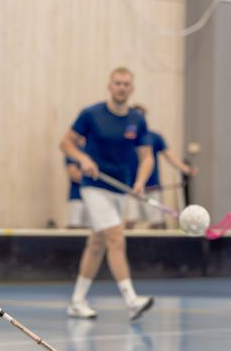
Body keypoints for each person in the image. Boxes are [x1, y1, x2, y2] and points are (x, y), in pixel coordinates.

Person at [60, 67, 154, 321]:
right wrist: (83, 159)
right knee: (115, 238)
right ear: (110, 86)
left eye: (126, 84)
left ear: (131, 88)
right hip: (93, 187)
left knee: (97, 244)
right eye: (117, 83)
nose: (122, 87)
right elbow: (65, 143)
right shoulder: (91, 114)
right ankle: (132, 300)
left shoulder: (137, 119)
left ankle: (77, 301)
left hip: (119, 189)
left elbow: (147, 157)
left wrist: (140, 182)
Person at [125, 104, 196, 229]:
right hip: (130, 187)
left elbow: (169, 155)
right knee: (130, 222)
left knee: (157, 222)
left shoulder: (154, 137)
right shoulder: (124, 137)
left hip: (152, 187)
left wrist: (186, 169)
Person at [65, 138, 88, 229]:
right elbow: (74, 175)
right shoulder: (73, 152)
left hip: (94, 199)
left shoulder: (96, 151)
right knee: (75, 228)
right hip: (77, 197)